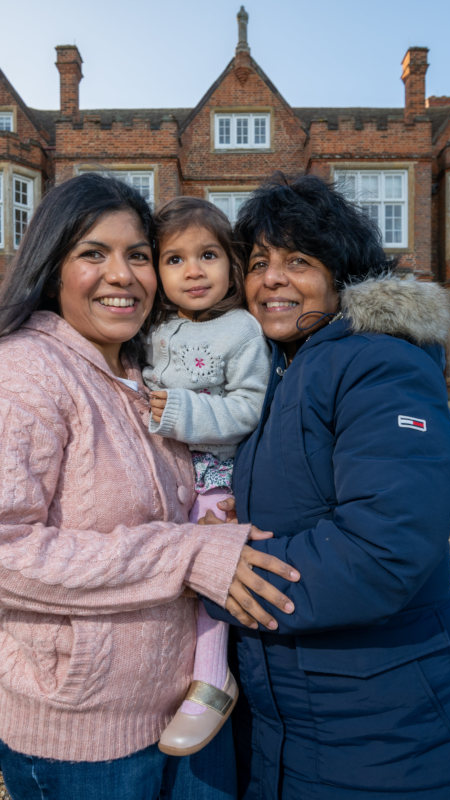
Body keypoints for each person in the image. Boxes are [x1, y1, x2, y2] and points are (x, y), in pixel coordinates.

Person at [0, 173, 300, 800]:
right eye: (94, 253)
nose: (123, 275)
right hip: (85, 736)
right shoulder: (21, 375)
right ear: (51, 265)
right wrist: (190, 553)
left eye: (137, 255)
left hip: (188, 707)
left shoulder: (141, 368)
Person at [204, 173, 450, 799]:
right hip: (286, 715)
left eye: (299, 261)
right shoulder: (276, 369)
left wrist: (218, 573)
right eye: (258, 262)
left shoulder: (377, 361)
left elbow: (382, 549)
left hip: (386, 723)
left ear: (342, 276)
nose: (272, 279)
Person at [143, 198, 271, 757]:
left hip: (216, 478)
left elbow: (249, 407)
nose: (193, 270)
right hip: (162, 472)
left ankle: (213, 677)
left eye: (208, 255)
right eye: (174, 259)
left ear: (231, 265)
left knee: (211, 571)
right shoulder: (152, 327)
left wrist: (177, 413)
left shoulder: (241, 328)